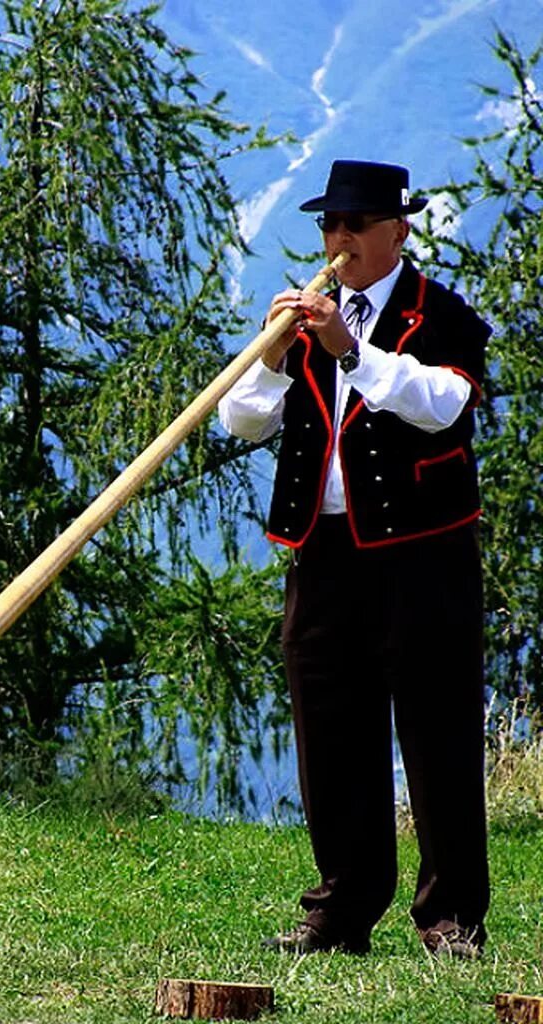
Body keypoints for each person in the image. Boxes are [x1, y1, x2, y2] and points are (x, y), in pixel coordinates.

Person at [218, 159, 491, 959]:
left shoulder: (440, 313)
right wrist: (271, 356)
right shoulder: (307, 318)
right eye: (329, 227)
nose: (338, 241)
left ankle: (451, 918)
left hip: (424, 559)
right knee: (331, 732)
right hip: (324, 552)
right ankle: (341, 910)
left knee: (438, 732)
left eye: (355, 226)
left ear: (397, 231)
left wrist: (350, 352)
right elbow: (243, 423)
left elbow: (443, 405)